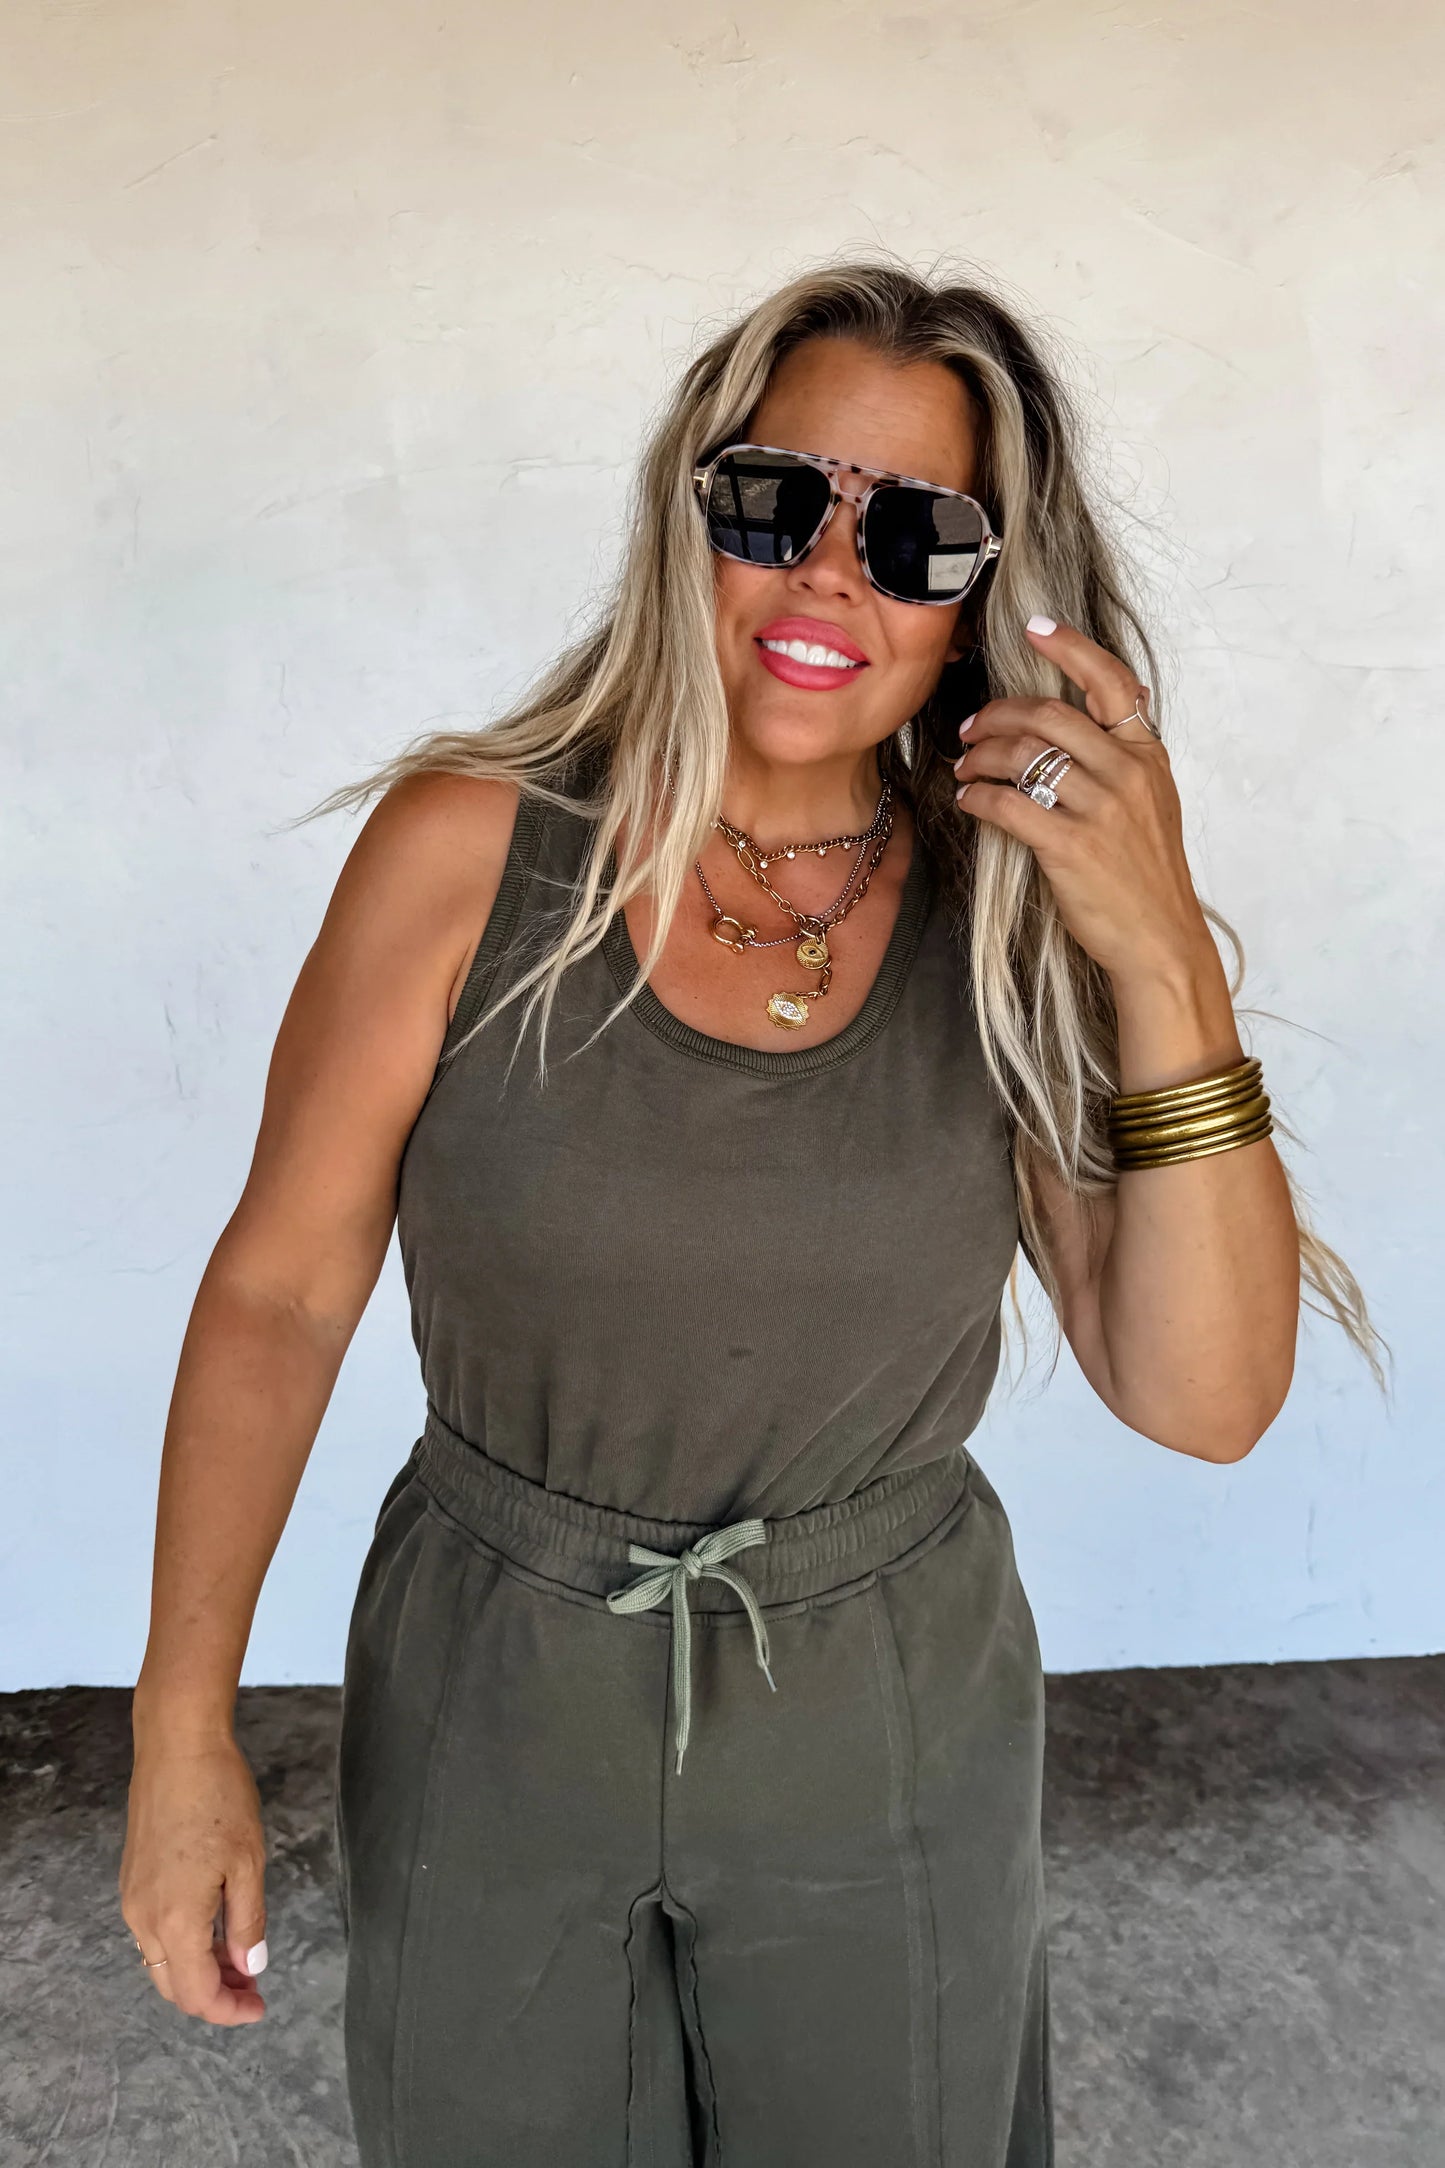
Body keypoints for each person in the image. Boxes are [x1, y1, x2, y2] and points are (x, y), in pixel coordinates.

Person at [119, 258, 1385, 2167]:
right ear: (688, 512)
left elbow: (1203, 1399)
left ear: (978, 602)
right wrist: (178, 1730)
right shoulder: (468, 852)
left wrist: (1159, 957)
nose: (830, 575)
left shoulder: (1005, 915)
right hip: (495, 1680)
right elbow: (282, 1297)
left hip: (885, 1706)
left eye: (918, 535)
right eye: (776, 499)